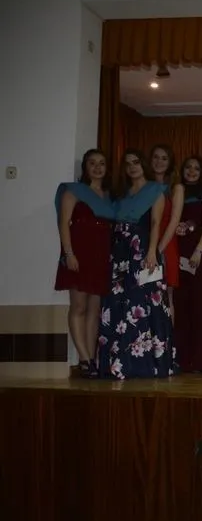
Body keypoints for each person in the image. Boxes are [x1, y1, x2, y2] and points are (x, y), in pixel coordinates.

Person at [98, 149, 175, 380]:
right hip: (119, 252)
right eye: (128, 163)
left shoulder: (155, 190)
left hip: (142, 250)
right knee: (118, 304)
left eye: (136, 162)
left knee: (143, 303)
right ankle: (118, 364)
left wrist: (152, 251)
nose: (132, 167)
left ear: (144, 165)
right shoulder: (120, 194)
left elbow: (156, 223)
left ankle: (147, 364)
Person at [55, 148, 114, 378]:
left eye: (102, 163)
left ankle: (92, 359)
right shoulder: (74, 191)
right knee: (78, 306)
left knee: (94, 309)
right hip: (79, 253)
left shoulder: (109, 196)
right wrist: (69, 254)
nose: (97, 167)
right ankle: (83, 358)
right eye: (92, 163)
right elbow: (63, 223)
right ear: (85, 167)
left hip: (101, 254)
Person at [175, 156, 202, 372]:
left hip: (200, 255)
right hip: (178, 253)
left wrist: (198, 251)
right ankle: (182, 359)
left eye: (196, 168)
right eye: (188, 167)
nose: (191, 171)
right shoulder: (175, 193)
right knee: (181, 307)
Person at [150, 145, 183, 320]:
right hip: (145, 241)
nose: (159, 162)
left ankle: (168, 337)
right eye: (156, 157)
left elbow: (174, 221)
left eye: (164, 158)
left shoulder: (176, 188)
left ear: (170, 163)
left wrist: (158, 250)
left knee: (166, 295)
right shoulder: (144, 186)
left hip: (166, 244)